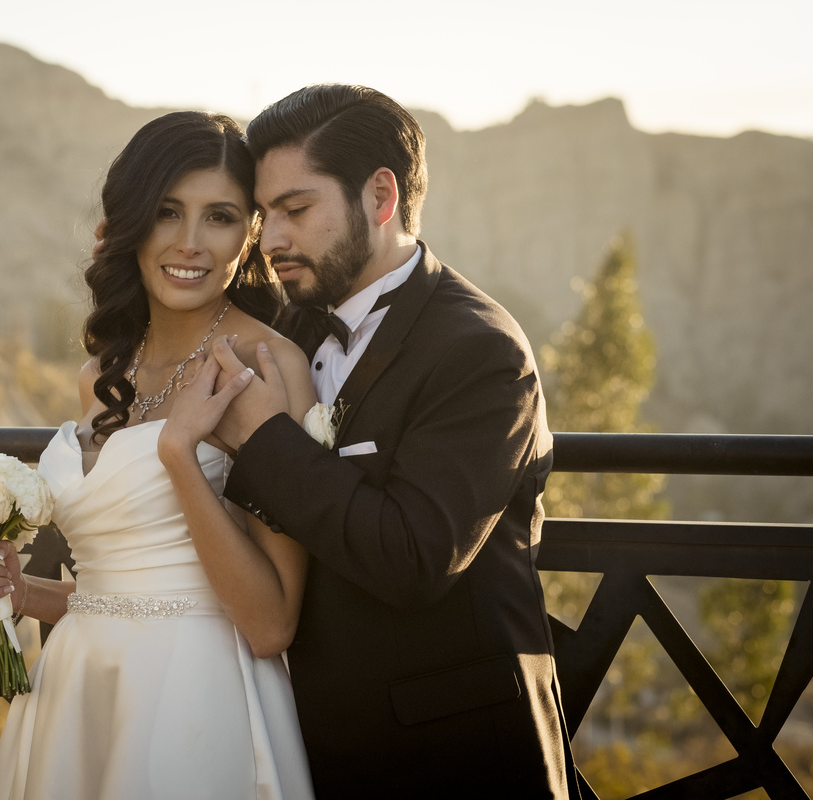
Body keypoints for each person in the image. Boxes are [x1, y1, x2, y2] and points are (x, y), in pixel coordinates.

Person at [195, 85, 580, 797]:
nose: (270, 240)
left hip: (451, 757)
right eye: (264, 215)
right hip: (302, 745)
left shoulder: (479, 350)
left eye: (295, 210)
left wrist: (267, 439)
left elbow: (414, 559)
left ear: (380, 196)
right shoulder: (289, 329)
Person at [0, 111, 317, 800]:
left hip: (198, 706)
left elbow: (272, 623)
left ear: (250, 233)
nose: (189, 242)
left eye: (219, 217)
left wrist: (179, 456)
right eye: (166, 212)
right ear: (130, 222)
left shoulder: (267, 368)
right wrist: (19, 591)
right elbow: (120, 596)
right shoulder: (102, 374)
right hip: (79, 691)